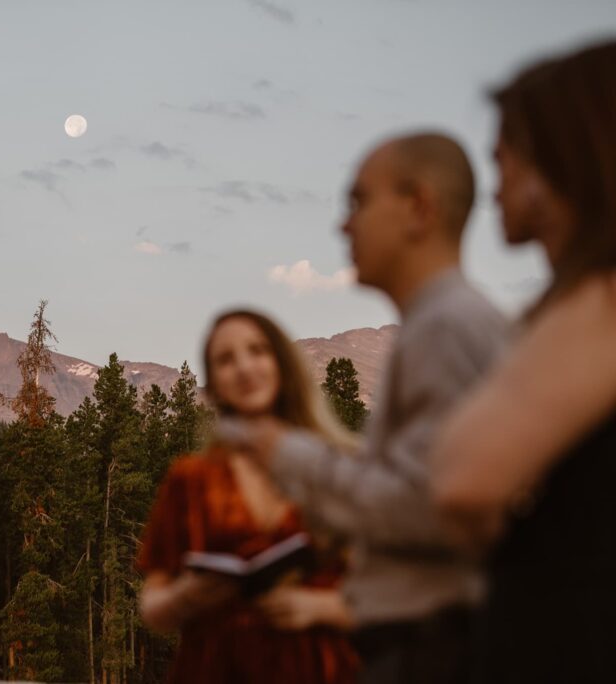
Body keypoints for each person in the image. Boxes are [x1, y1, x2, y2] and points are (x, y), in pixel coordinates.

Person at [225, 132, 508, 684]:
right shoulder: (440, 326)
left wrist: (287, 451)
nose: (342, 225)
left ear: (419, 208)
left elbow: (428, 508)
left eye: (358, 201)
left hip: (426, 652)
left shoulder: (445, 330)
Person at [431, 40, 616, 684]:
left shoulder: (602, 297)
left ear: (559, 160)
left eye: (505, 155)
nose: (494, 178)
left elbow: (464, 479)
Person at [137, 310, 359, 684]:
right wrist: (185, 597)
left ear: (282, 364)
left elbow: (397, 595)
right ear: (214, 386)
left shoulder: (335, 468)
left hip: (318, 668)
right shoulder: (191, 479)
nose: (243, 367)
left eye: (257, 351)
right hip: (214, 668)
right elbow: (152, 606)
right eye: (225, 359)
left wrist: (321, 606)